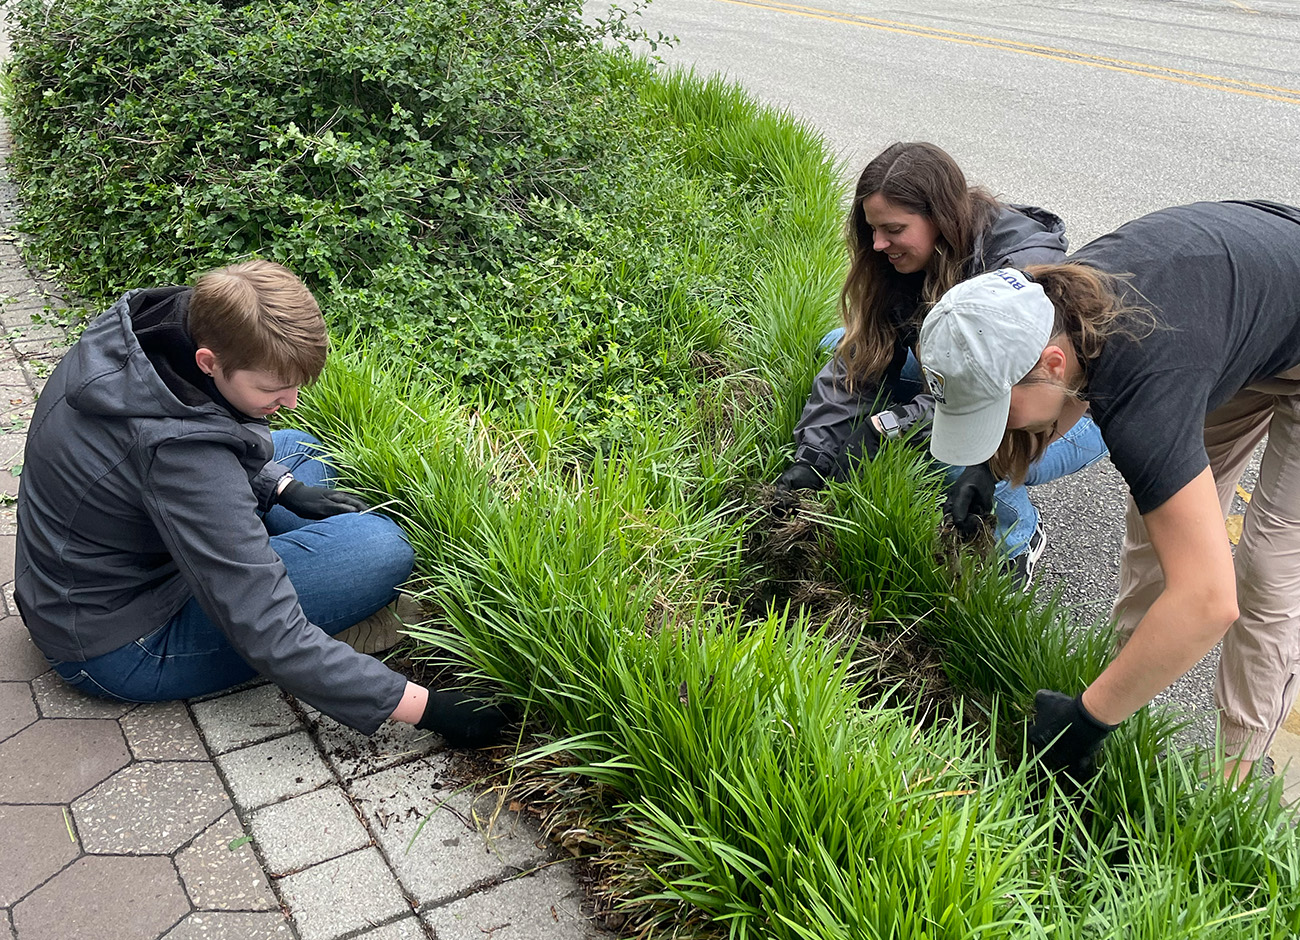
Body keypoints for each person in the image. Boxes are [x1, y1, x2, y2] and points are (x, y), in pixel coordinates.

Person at [14, 260, 507, 746]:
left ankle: (263, 565)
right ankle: (317, 623)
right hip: (121, 643)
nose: (291, 400)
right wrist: (432, 710)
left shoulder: (138, 340)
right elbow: (269, 632)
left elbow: (196, 439)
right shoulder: (181, 456)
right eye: (272, 388)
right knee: (380, 548)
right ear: (208, 362)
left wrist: (283, 489)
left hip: (87, 581)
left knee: (300, 450)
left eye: (296, 384)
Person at [917, 200, 1300, 784]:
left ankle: (1236, 781)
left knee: (1266, 572)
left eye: (996, 411)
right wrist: (988, 467)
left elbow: (1209, 601)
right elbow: (1053, 403)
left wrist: (1083, 723)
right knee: (1158, 531)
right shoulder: (1050, 305)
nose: (998, 427)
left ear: (1051, 363)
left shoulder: (1142, 391)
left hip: (1259, 313)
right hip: (1244, 324)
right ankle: (1128, 702)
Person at [776, 141, 1107, 584]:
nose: (878, 244)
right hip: (975, 383)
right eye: (872, 229)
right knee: (837, 344)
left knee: (947, 448)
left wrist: (887, 427)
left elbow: (990, 400)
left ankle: (1016, 537)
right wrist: (814, 456)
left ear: (940, 218)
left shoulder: (1018, 273)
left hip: (1062, 410)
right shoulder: (903, 261)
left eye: (893, 229)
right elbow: (864, 354)